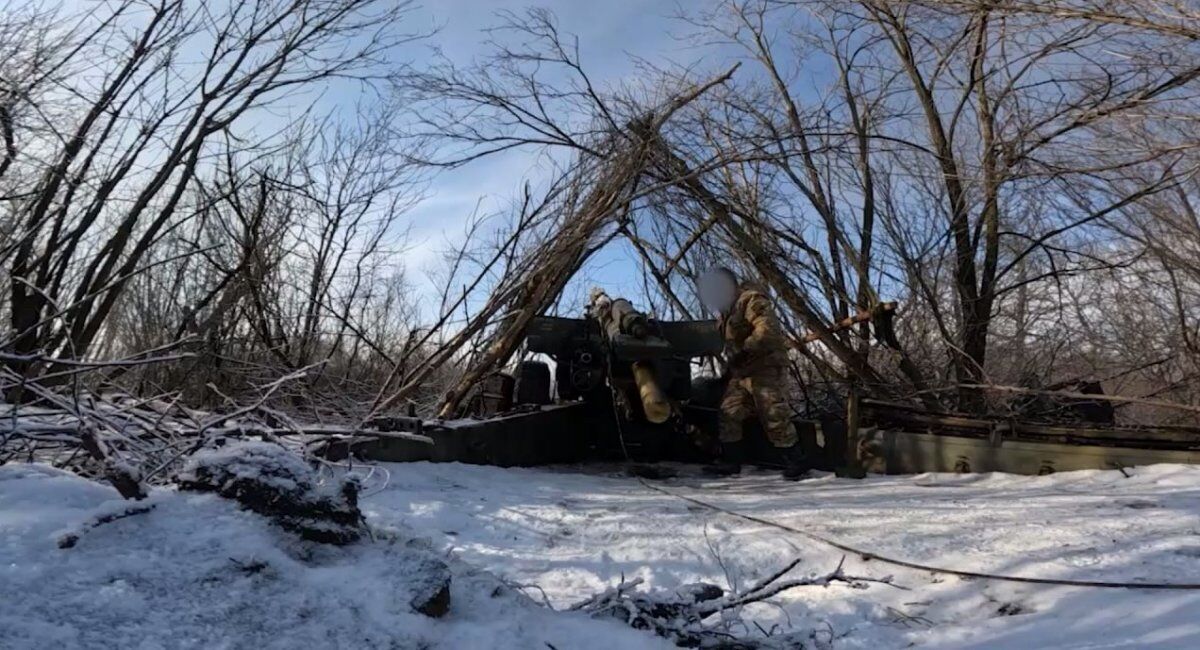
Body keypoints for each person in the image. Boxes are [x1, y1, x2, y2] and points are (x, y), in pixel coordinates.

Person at [698, 267, 808, 480]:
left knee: (773, 412)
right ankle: (731, 461)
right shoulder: (725, 313)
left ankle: (796, 460)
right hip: (741, 372)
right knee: (729, 412)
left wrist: (745, 349)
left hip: (764, 367)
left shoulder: (749, 300)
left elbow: (767, 330)